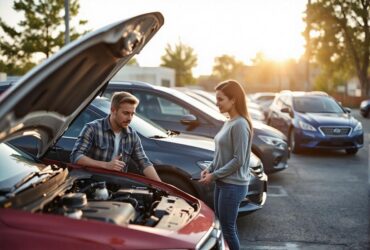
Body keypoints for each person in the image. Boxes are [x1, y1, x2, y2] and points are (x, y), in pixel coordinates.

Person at [199, 80, 252, 250]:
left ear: (233, 100)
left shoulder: (240, 124)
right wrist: (210, 168)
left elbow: (239, 160)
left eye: (221, 99)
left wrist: (214, 175)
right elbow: (222, 154)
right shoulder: (229, 121)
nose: (217, 103)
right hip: (223, 182)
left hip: (233, 185)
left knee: (227, 229)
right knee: (224, 226)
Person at [70, 91, 161, 182]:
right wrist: (106, 165)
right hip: (92, 184)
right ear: (113, 110)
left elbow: (144, 163)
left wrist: (161, 186)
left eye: (132, 114)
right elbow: (76, 157)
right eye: (125, 113)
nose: (130, 118)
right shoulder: (92, 128)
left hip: (117, 188)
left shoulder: (132, 135)